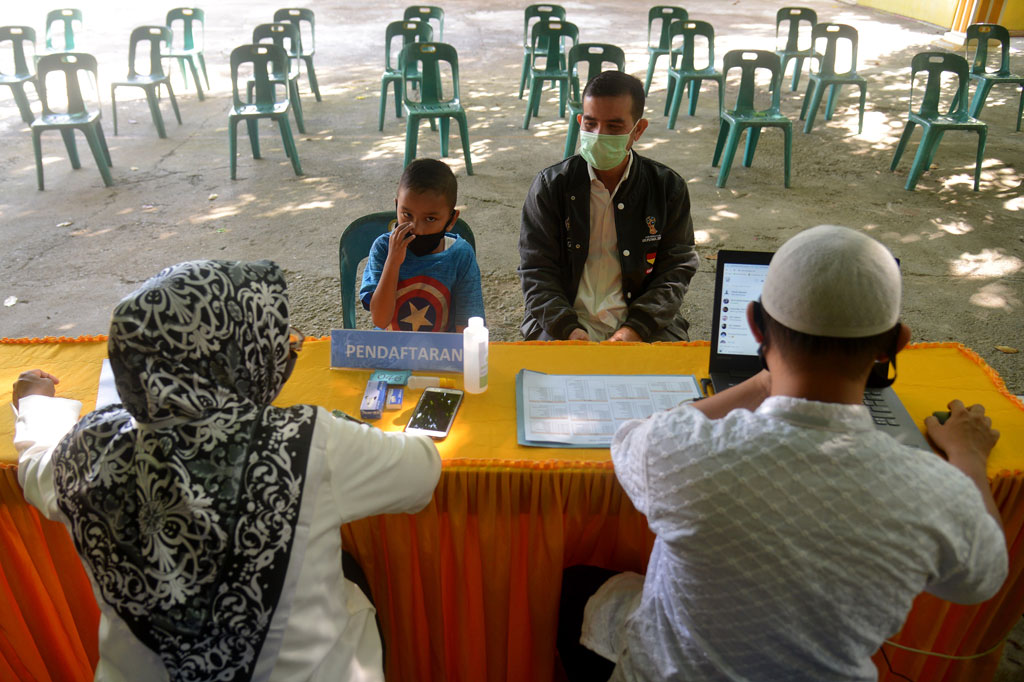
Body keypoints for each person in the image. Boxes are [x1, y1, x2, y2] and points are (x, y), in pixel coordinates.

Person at [557, 225, 1008, 681]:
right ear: (896, 344)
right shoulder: (933, 490)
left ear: (755, 326)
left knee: (582, 591)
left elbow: (632, 440)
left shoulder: (684, 452)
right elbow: (981, 578)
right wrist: (967, 455)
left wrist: (761, 382)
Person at [13, 259, 441, 682]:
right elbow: (422, 472)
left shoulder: (87, 449)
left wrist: (36, 401)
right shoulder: (305, 440)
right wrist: (340, 429)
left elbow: (34, 467)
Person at [519, 70, 699, 342]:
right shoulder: (551, 187)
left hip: (643, 324)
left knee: (669, 382)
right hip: (563, 322)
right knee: (541, 380)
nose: (599, 135)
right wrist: (567, 329)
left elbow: (676, 270)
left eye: (614, 127)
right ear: (580, 121)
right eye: (590, 124)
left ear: (638, 130)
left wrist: (636, 328)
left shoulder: (667, 188)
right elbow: (535, 270)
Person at [360, 158, 485, 333]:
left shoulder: (461, 255)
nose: (417, 229)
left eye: (430, 219)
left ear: (451, 220)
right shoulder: (383, 248)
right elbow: (380, 320)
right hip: (389, 351)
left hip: (441, 354)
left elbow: (466, 328)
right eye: (407, 215)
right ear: (396, 207)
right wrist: (393, 261)